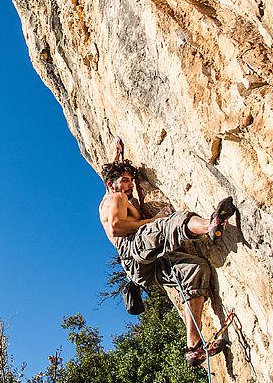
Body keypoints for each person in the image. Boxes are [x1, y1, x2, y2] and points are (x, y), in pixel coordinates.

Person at [98, 138, 232, 367]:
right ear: (112, 185)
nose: (130, 185)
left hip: (141, 269)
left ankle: (194, 347)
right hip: (132, 248)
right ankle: (210, 225)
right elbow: (116, 227)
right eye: (125, 181)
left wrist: (117, 155)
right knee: (169, 223)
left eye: (131, 180)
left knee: (195, 270)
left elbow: (110, 179)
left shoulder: (115, 195)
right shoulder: (116, 198)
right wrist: (154, 219)